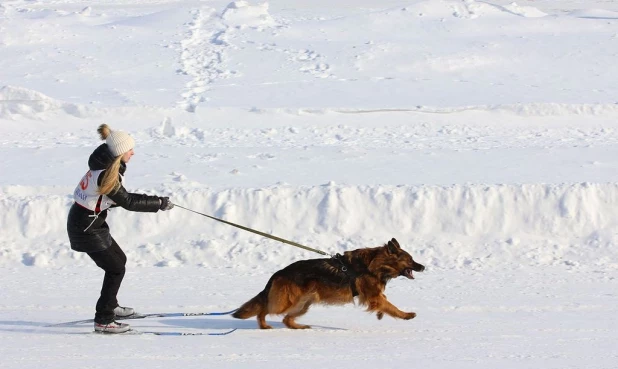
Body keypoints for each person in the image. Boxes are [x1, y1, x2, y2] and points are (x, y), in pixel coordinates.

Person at [67, 124, 174, 333]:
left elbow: (112, 198)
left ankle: (111, 306)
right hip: (86, 227)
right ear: (119, 153)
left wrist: (154, 201)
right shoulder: (106, 174)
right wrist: (158, 203)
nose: (133, 153)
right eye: (130, 150)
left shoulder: (104, 165)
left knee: (119, 262)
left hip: (90, 221)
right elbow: (128, 202)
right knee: (115, 268)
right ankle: (104, 319)